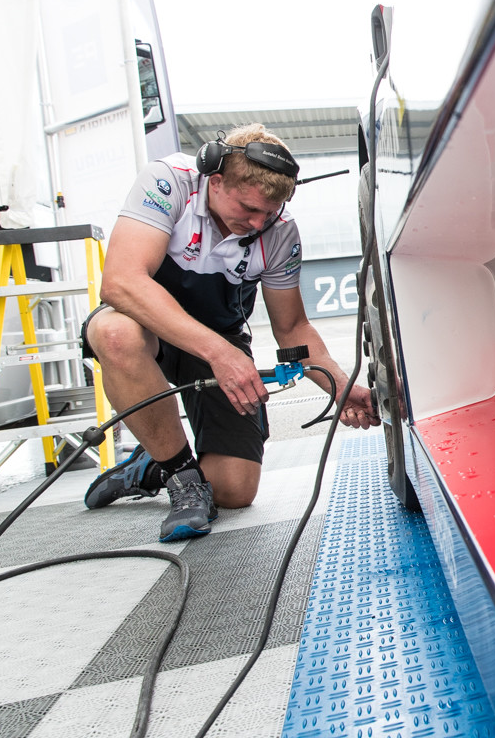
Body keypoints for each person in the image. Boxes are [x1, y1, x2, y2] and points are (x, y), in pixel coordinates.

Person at [80, 123, 379, 542]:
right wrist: (221, 355)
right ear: (214, 180)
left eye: (268, 213)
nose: (257, 223)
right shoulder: (169, 182)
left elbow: (292, 328)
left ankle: (155, 460)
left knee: (235, 490)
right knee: (115, 334)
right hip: (147, 325)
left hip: (219, 335)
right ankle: (182, 479)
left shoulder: (279, 230)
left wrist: (342, 387)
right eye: (247, 208)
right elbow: (121, 282)